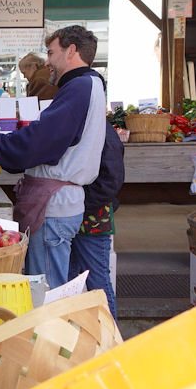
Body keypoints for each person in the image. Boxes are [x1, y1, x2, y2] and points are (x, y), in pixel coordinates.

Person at [0, 25, 106, 289]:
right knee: (51, 286)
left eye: (51, 53)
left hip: (55, 207)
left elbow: (43, 141)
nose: (47, 62)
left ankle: (48, 331)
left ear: (71, 51)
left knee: (45, 292)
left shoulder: (79, 87)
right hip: (60, 203)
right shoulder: (86, 86)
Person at [69, 122, 124, 320]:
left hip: (92, 219)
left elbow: (111, 181)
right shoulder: (85, 126)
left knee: (97, 280)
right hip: (75, 215)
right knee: (70, 281)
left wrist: (79, 205)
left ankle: (112, 340)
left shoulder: (104, 132)